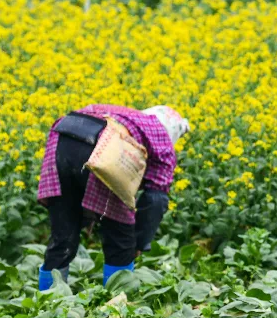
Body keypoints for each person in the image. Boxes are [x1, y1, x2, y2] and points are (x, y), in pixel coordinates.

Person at [37, 104, 190, 288]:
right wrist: (138, 242)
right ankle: (116, 303)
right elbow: (156, 199)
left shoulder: (127, 116)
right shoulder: (162, 138)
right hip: (102, 143)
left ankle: (48, 300)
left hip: (62, 134)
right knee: (120, 238)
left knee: (63, 234)